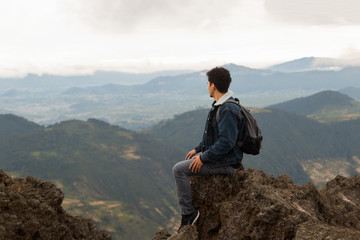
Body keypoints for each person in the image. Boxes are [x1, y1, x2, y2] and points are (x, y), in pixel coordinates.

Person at [172, 66, 245, 231]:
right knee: (185, 165)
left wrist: (203, 158)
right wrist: (198, 149)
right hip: (222, 159)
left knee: (179, 170)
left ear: (213, 85)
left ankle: (188, 214)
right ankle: (188, 212)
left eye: (207, 84)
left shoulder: (227, 109)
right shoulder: (222, 105)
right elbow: (215, 136)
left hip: (226, 163)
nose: (207, 87)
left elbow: (226, 142)